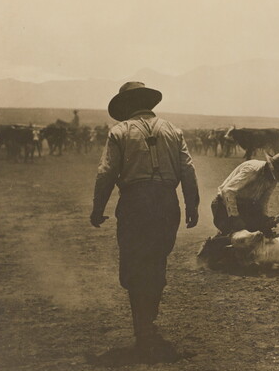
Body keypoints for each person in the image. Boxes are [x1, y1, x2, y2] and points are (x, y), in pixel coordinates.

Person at [90, 81, 200, 360]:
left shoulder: (119, 131)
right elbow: (188, 169)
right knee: (156, 260)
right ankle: (148, 322)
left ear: (125, 106)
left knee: (134, 264)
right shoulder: (174, 131)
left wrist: (97, 207)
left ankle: (143, 330)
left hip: (136, 204)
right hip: (167, 203)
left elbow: (106, 173)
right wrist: (192, 205)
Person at [211, 152, 279, 236]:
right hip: (224, 204)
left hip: (246, 207)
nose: (274, 179)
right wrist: (235, 217)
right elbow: (228, 191)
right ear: (269, 167)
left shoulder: (273, 179)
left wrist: (265, 219)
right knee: (236, 236)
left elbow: (263, 201)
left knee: (260, 233)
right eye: (274, 174)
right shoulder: (252, 170)